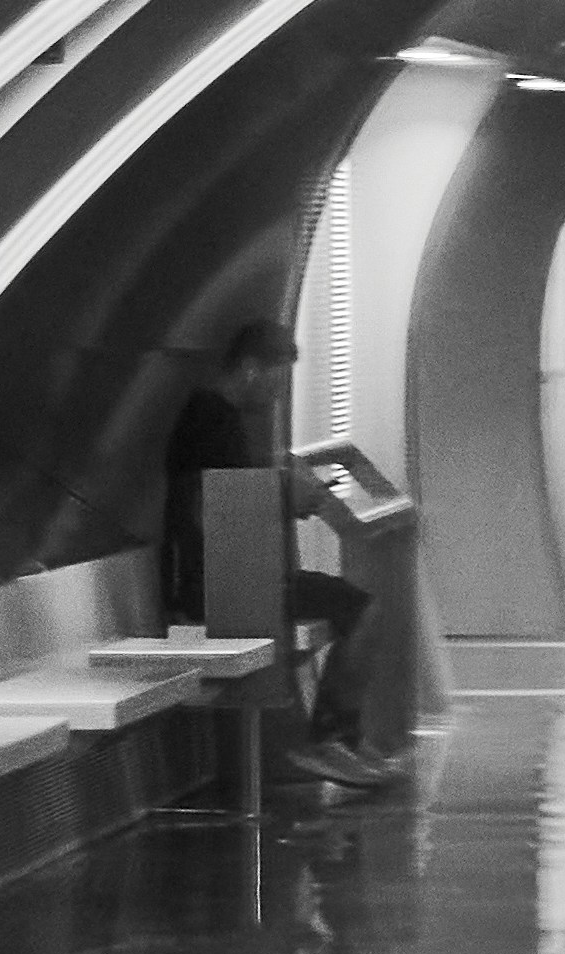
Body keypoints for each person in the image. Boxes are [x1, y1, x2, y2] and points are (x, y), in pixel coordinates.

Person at [159, 317, 398, 792]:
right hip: (220, 585)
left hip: (230, 578)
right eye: (275, 378)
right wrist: (290, 497)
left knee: (356, 608)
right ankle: (329, 738)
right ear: (250, 368)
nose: (275, 393)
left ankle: (338, 738)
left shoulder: (215, 417)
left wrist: (285, 490)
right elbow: (229, 502)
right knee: (364, 612)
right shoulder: (213, 420)